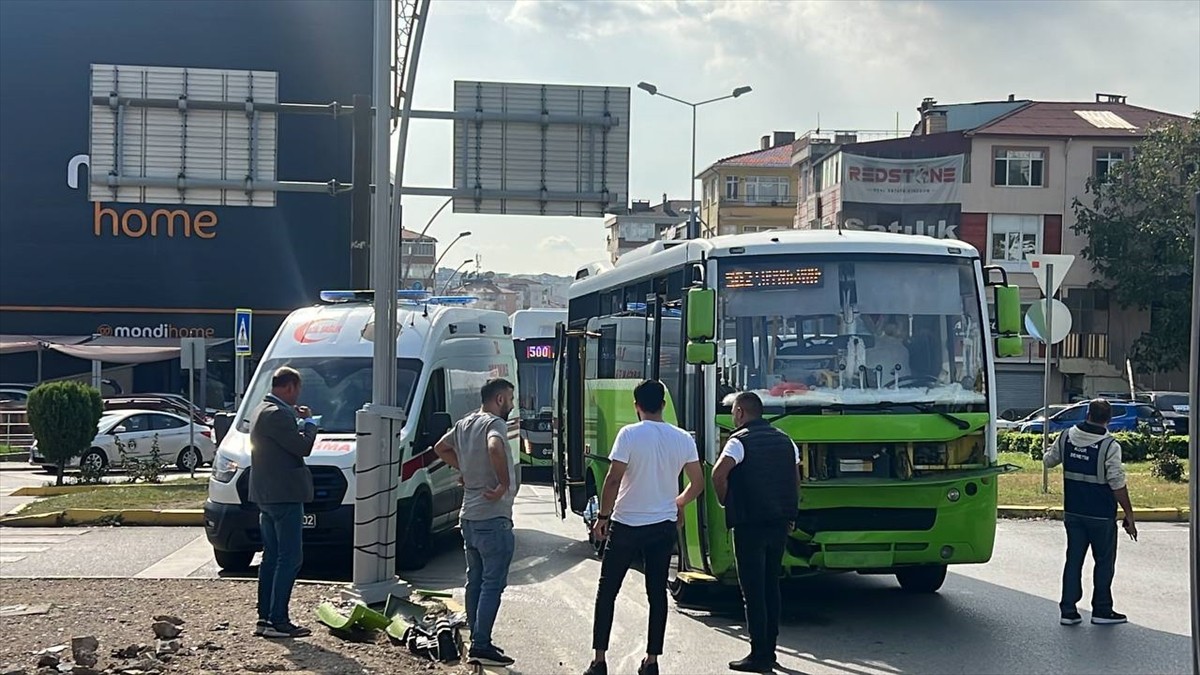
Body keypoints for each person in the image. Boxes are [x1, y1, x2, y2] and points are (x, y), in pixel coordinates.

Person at [584, 380, 705, 675]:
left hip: (626, 524)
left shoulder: (629, 434)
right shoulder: (682, 438)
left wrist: (603, 516)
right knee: (656, 594)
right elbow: (698, 483)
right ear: (663, 404)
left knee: (607, 591)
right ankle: (652, 661)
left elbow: (613, 479)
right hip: (662, 526)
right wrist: (678, 502)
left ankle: (599, 661)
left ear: (636, 406)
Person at [432, 378, 519, 667]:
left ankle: (475, 638)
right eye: (510, 399)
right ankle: (481, 644)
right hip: (492, 518)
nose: (511, 404)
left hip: (468, 516)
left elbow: (440, 447)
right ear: (499, 399)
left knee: (476, 579)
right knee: (493, 583)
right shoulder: (495, 423)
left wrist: (466, 468)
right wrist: (503, 483)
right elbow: (494, 447)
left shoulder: (465, 423)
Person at [712, 392, 801, 673]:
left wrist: (727, 501)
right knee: (771, 586)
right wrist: (790, 513)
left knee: (753, 591)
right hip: (779, 523)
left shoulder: (738, 442)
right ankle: (770, 650)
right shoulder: (786, 440)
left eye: (733, 412)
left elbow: (718, 475)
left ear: (740, 412)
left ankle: (758, 655)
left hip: (749, 525)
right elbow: (795, 480)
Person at [1043, 398, 1137, 626]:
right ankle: (1101, 610)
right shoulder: (1110, 446)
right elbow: (1116, 482)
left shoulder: (1066, 437)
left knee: (1073, 560)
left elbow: (1049, 461)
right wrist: (1129, 515)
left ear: (1087, 415)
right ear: (1109, 419)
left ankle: (1068, 611)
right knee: (1103, 562)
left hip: (1074, 512)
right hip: (1101, 515)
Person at [248, 367, 318, 639]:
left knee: (271, 557)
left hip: (265, 495)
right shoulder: (278, 414)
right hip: (285, 495)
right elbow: (302, 448)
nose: (297, 395)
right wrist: (309, 423)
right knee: (290, 557)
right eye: (297, 389)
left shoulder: (260, 409)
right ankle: (278, 620)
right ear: (290, 387)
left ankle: (264, 617)